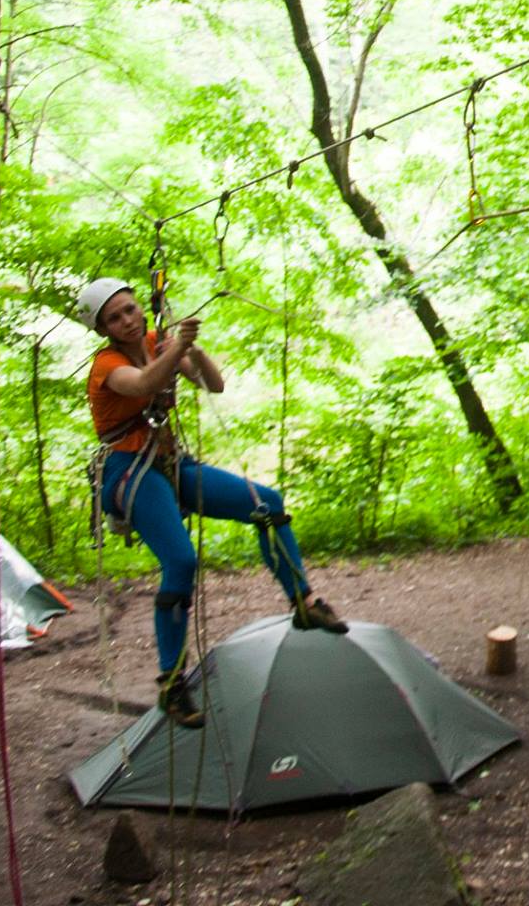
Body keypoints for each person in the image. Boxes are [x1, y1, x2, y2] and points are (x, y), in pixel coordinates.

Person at [79, 275, 346, 726]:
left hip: (169, 463)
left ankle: (302, 602)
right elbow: (144, 383)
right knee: (181, 562)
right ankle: (172, 683)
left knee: (267, 504)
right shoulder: (106, 367)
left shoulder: (155, 339)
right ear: (103, 329)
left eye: (129, 309)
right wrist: (176, 349)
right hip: (129, 472)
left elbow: (215, 384)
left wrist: (191, 348)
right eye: (114, 318)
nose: (126, 320)